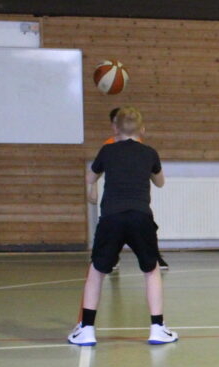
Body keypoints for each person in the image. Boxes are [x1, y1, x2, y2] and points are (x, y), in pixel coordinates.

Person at [68, 107, 178, 346]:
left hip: (112, 218)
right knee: (151, 270)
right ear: (143, 130)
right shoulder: (149, 152)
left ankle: (87, 329)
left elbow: (90, 177)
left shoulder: (107, 151)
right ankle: (157, 328)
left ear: (114, 129)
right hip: (140, 217)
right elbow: (160, 182)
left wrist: (94, 184)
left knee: (97, 271)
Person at [104, 107, 169, 271]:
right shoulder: (109, 147)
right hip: (117, 204)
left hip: (135, 204)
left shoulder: (144, 151)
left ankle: (155, 257)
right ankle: (112, 258)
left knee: (146, 229)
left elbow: (157, 179)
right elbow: (96, 173)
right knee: (115, 230)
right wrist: (92, 189)